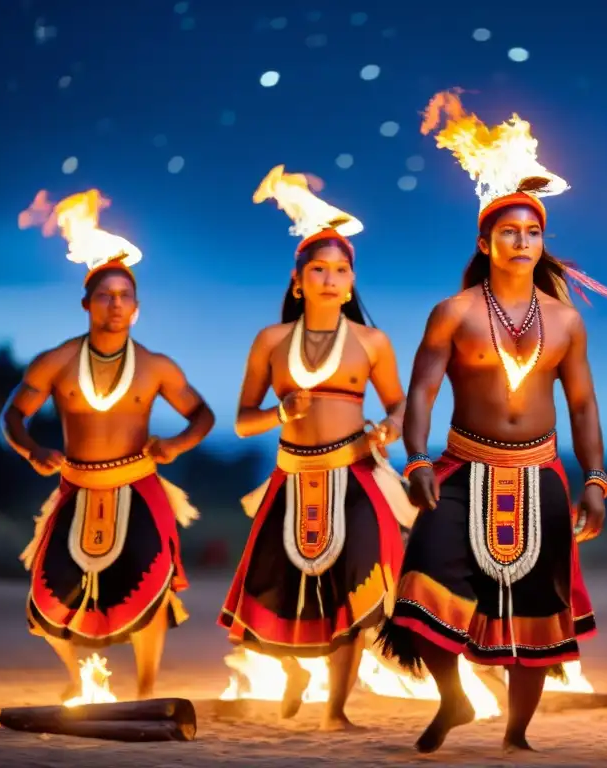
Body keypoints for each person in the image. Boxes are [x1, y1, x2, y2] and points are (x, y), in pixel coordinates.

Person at [377, 91, 607, 753]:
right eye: (509, 232)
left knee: (538, 609)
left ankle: (517, 734)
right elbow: (421, 391)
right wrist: (416, 458)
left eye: (532, 233)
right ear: (485, 240)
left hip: (540, 474)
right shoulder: (453, 312)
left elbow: (585, 405)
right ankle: (453, 695)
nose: (522, 241)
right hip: (458, 468)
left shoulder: (565, 321)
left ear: (543, 242)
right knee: (423, 577)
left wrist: (595, 478)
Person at [218, 165, 416, 729]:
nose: (331, 279)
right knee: (281, 590)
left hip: (356, 477)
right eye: (318, 270)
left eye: (341, 270)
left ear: (352, 282)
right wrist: (281, 412)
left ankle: (335, 710)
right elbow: (241, 422)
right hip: (290, 481)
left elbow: (402, 405)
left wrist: (391, 427)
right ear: (297, 280)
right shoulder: (271, 342)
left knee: (358, 591)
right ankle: (296, 672)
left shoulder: (372, 343)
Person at [7, 189, 214, 701]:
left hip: (139, 486)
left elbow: (203, 414)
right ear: (86, 303)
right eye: (105, 295)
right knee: (48, 591)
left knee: (152, 584)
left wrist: (179, 444)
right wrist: (33, 450)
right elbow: (13, 414)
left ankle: (146, 690)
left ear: (137, 308)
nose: (115, 304)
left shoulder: (157, 366)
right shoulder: (55, 361)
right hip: (75, 486)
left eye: (125, 297)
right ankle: (80, 684)